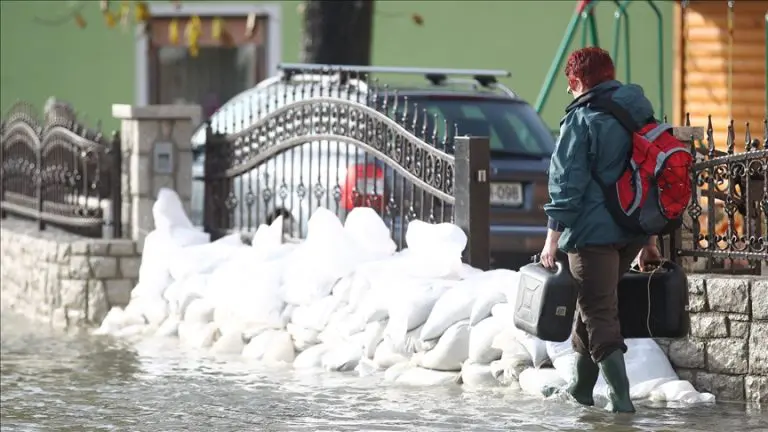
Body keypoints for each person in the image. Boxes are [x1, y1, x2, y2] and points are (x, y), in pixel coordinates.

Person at [539, 47, 662, 413]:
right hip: (632, 230)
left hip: (593, 236)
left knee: (598, 310)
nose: (568, 92)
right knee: (590, 305)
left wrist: (552, 237)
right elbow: (651, 175)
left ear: (576, 82)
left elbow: (565, 184)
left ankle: (621, 400)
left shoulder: (581, 120)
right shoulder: (638, 112)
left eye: (569, 85)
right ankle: (580, 387)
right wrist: (650, 238)